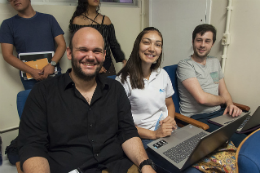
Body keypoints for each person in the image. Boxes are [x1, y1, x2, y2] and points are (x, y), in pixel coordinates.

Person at [18, 27, 156, 173]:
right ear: (69, 52)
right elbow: (32, 147)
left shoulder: (115, 89)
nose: (90, 57)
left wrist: (145, 165)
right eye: (83, 50)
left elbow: (127, 132)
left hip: (118, 166)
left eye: (96, 51)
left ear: (103, 55)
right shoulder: (43, 92)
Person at [116, 27, 201, 173]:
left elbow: (169, 103)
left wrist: (170, 120)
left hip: (167, 131)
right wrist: (155, 134)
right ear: (138, 46)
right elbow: (120, 125)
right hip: (143, 137)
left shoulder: (162, 74)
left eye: (158, 44)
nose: (152, 48)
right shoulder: (122, 80)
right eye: (147, 43)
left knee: (201, 154)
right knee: (186, 168)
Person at [176, 24, 246, 147]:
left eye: (207, 41)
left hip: (220, 113)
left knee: (251, 127)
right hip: (198, 119)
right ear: (193, 42)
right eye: (199, 40)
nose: (202, 45)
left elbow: (224, 91)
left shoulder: (214, 61)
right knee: (242, 140)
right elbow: (202, 98)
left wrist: (230, 105)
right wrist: (223, 100)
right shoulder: (185, 65)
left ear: (212, 43)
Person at [0, 0, 66, 90]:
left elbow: (62, 44)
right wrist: (31, 71)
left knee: (57, 103)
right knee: (34, 103)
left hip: (52, 74)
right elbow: (7, 55)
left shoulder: (48, 19)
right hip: (29, 78)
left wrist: (52, 64)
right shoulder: (7, 25)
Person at [69, 0, 126, 77]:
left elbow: (113, 43)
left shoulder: (106, 20)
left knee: (110, 87)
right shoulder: (77, 20)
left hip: (106, 65)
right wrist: (96, 66)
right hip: (86, 64)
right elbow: (76, 47)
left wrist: (123, 60)